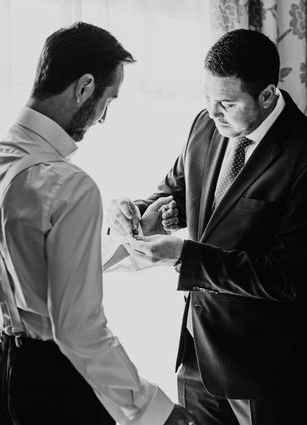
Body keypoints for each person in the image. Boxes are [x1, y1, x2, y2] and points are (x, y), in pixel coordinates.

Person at [107, 29, 307, 425]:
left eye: (227, 103)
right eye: (207, 98)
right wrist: (139, 212)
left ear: (267, 96)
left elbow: (285, 277)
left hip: (272, 364)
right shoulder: (205, 126)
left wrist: (186, 255)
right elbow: (180, 194)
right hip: (200, 352)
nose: (213, 113)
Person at [0, 22, 197, 425]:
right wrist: (154, 411)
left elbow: (34, 269)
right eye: (109, 100)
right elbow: (80, 329)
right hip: (56, 380)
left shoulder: (6, 160)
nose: (103, 117)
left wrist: (133, 240)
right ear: (85, 86)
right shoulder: (68, 186)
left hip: (9, 366)